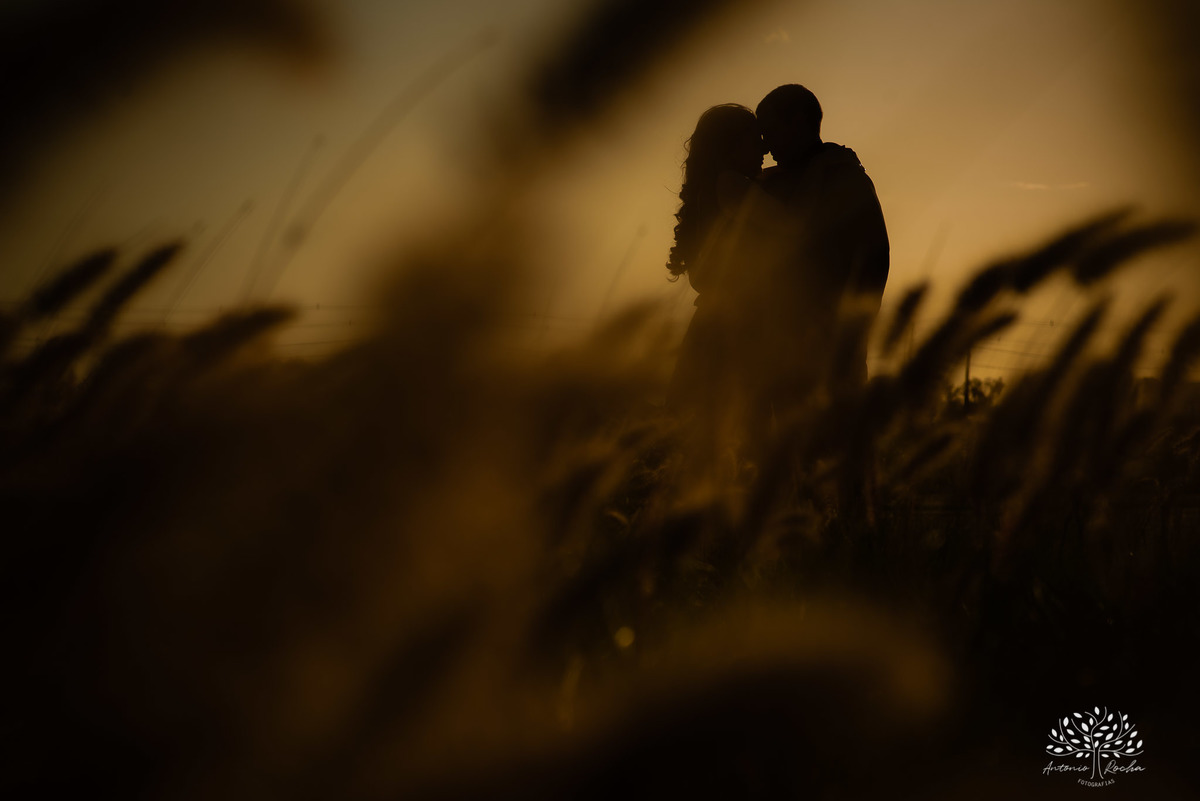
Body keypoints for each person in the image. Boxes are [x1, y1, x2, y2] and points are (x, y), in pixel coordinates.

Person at [752, 84, 890, 410]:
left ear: (798, 121)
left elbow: (873, 260)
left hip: (824, 347)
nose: (764, 144)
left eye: (769, 130)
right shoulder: (780, 180)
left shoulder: (843, 179)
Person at [665, 103, 767, 431]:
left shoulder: (708, 191)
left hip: (711, 321)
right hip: (736, 325)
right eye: (755, 140)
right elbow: (792, 229)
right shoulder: (733, 185)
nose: (764, 148)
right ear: (730, 147)